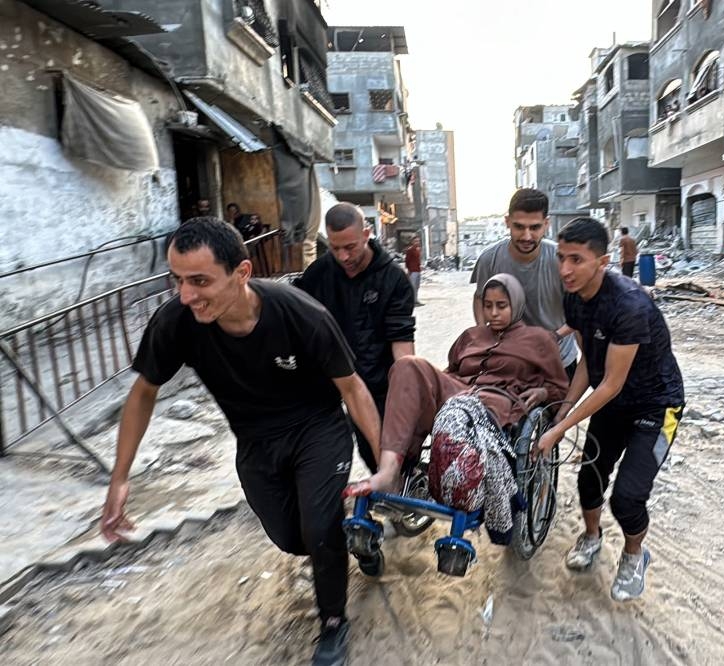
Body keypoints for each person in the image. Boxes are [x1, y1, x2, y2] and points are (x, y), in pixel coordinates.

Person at [98, 218, 380, 665]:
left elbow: (353, 390)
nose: (186, 295)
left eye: (199, 281)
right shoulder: (177, 322)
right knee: (292, 537)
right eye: (178, 280)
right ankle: (352, 538)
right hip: (254, 442)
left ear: (242, 272)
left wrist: (385, 465)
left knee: (319, 527)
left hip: (317, 429)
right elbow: (143, 394)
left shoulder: (300, 314)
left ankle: (332, 623)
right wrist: (119, 479)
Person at [535, 216, 684, 602]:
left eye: (577, 260)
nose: (565, 269)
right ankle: (590, 536)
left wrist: (560, 428)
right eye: (562, 258)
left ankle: (635, 556)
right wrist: (563, 410)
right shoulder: (575, 297)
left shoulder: (629, 305)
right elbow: (589, 363)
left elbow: (611, 382)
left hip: (657, 406)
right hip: (614, 402)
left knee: (627, 498)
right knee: (589, 478)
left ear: (602, 262)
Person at [347, 274, 568, 505]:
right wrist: (426, 384)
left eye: (501, 306)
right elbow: (450, 370)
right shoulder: (471, 335)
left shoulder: (539, 340)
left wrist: (543, 393)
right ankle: (391, 469)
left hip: (494, 401)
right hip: (457, 389)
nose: (493, 313)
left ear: (517, 304)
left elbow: (560, 387)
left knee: (460, 406)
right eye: (488, 306)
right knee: (407, 364)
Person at [295, 203, 416, 474]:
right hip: (328, 381)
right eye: (335, 248)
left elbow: (402, 342)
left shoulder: (394, 279)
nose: (343, 256)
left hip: (377, 384)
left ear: (366, 234)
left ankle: (402, 501)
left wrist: (407, 389)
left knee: (385, 456)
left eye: (350, 247)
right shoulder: (317, 274)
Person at [471, 188, 579, 379]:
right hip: (509, 361)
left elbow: (581, 309)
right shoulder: (490, 259)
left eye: (535, 227)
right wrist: (483, 334)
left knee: (557, 410)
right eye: (519, 227)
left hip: (558, 361)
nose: (527, 236)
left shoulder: (562, 260)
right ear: (507, 223)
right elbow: (480, 297)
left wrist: (555, 337)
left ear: (546, 224)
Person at [405, 237, 423, 306]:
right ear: (412, 242)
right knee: (412, 286)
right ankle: (411, 301)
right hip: (412, 270)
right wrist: (408, 270)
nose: (417, 242)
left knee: (417, 286)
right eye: (415, 241)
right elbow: (407, 260)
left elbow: (418, 260)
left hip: (418, 270)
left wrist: (420, 266)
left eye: (418, 241)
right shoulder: (410, 250)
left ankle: (416, 300)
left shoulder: (418, 250)